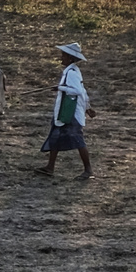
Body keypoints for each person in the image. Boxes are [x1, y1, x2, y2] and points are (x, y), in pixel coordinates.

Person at [38, 42, 93, 178]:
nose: (61, 57)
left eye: (63, 55)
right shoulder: (70, 71)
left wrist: (60, 88)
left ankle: (88, 170)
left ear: (70, 58)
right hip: (65, 111)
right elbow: (82, 91)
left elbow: (77, 91)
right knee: (55, 137)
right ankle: (50, 167)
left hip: (70, 112)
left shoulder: (72, 73)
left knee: (78, 140)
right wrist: (88, 107)